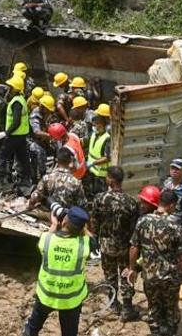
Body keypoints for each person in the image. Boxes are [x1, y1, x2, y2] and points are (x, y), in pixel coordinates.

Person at [128, 189, 182, 336]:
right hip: (170, 278)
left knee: (153, 307)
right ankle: (169, 331)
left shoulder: (143, 221)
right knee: (171, 308)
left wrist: (132, 268)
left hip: (150, 276)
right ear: (171, 205)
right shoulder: (175, 226)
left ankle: (155, 331)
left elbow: (134, 247)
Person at [24, 206, 92, 336]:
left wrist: (54, 224)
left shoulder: (46, 239)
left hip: (47, 295)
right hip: (70, 300)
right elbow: (91, 238)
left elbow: (48, 237)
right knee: (69, 333)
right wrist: (82, 227)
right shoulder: (84, 245)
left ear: (64, 222)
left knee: (32, 329)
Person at [89, 166, 140, 321]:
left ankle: (113, 304)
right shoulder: (131, 202)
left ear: (110, 179)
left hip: (106, 246)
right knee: (126, 275)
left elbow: (94, 222)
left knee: (110, 276)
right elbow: (134, 229)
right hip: (125, 247)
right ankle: (127, 307)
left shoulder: (100, 199)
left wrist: (96, 238)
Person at [0, 75, 31, 190]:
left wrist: (7, 133)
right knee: (23, 157)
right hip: (21, 135)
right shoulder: (21, 99)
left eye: (10, 86)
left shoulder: (16, 102)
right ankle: (26, 180)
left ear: (15, 88)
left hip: (14, 136)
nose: (8, 88)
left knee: (3, 156)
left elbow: (16, 121)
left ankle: (0, 181)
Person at [28, 94, 60, 184]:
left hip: (42, 139)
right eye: (48, 109)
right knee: (38, 151)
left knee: (56, 147)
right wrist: (50, 136)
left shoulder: (45, 113)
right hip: (31, 141)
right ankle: (39, 177)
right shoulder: (35, 115)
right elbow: (36, 132)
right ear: (43, 107)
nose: (50, 112)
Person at [85, 110, 112, 196]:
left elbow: (108, 158)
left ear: (102, 125)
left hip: (101, 175)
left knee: (100, 195)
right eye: (93, 125)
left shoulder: (107, 138)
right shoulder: (94, 134)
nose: (94, 127)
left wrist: (93, 163)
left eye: (96, 125)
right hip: (92, 171)